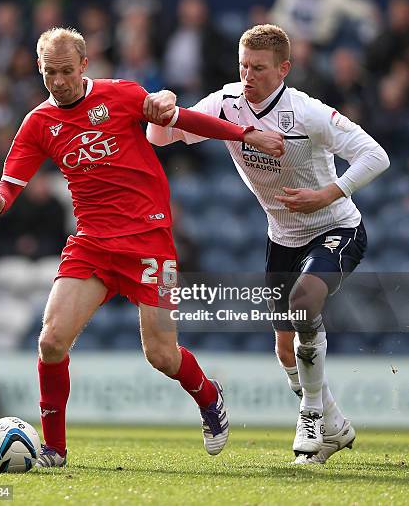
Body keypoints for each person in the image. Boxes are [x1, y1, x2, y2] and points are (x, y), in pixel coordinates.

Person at [0, 26, 284, 467]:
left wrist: (244, 134)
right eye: (50, 73)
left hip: (150, 242)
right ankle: (54, 449)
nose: (59, 81)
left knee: (161, 355)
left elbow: (180, 118)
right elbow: (10, 184)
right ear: (39, 69)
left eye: (67, 71)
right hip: (91, 244)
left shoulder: (120, 95)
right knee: (50, 342)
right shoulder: (38, 124)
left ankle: (209, 394)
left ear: (84, 65)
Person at [146, 23, 390, 464]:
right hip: (282, 239)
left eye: (258, 68)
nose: (248, 76)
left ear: (284, 69)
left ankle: (312, 415)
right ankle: (333, 422)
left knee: (304, 301)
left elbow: (376, 155)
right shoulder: (225, 103)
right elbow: (160, 139)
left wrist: (328, 193)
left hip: (336, 227)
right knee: (284, 347)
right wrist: (162, 108)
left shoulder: (308, 112)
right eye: (243, 65)